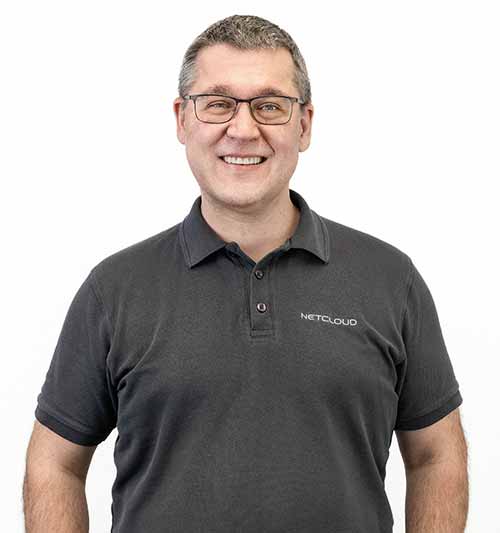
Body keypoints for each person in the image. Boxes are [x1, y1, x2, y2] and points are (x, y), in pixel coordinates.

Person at [23, 14, 469, 533]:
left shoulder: (391, 280)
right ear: (182, 120)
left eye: (270, 106)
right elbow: (54, 463)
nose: (242, 129)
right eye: (217, 103)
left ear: (304, 125)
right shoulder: (114, 290)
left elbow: (436, 454)